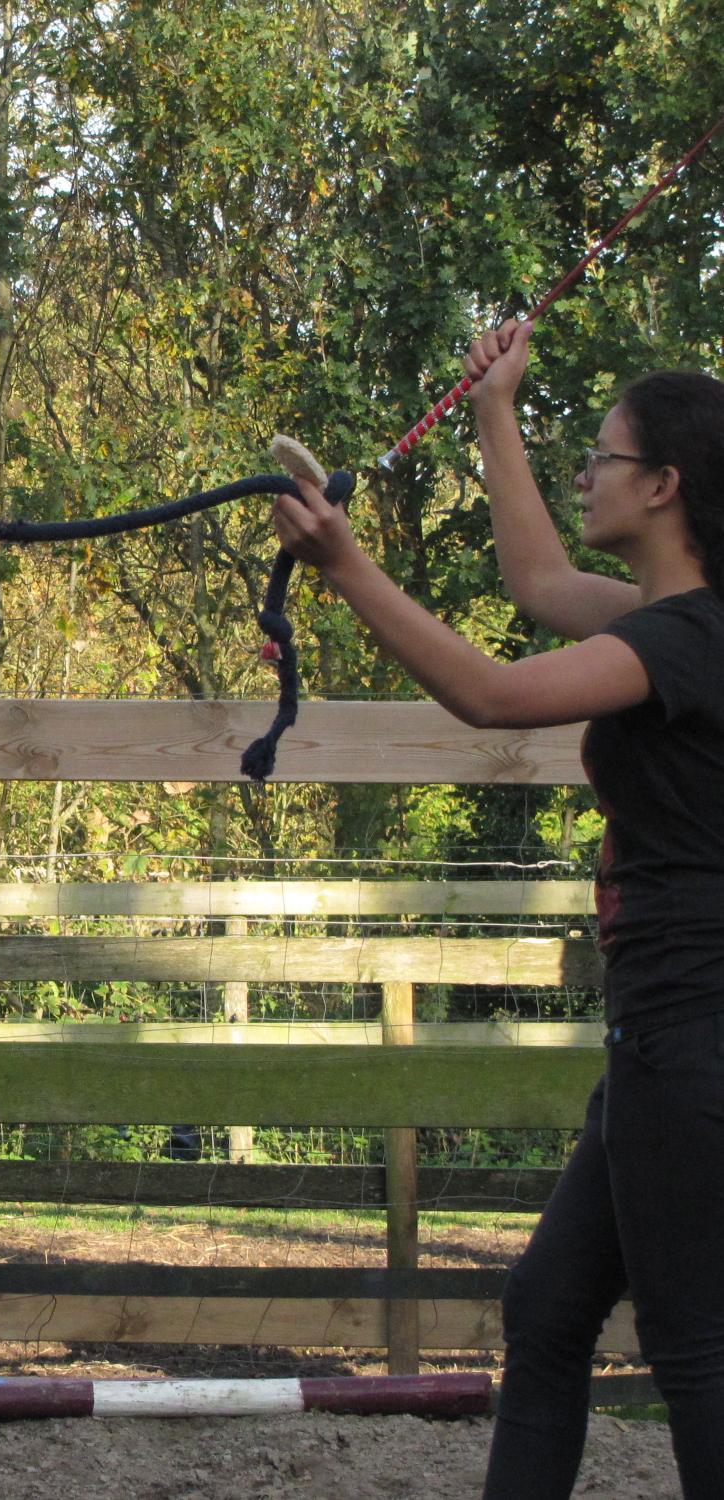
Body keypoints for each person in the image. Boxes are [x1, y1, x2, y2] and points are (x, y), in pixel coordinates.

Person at [271, 321, 724, 1500]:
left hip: (695, 1041)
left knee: (696, 1352)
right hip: (658, 1040)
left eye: (605, 457)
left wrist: (347, 567)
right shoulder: (663, 624)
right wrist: (493, 404)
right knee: (550, 1306)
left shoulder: (687, 641)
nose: (588, 472)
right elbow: (530, 586)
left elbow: (489, 694)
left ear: (665, 487)